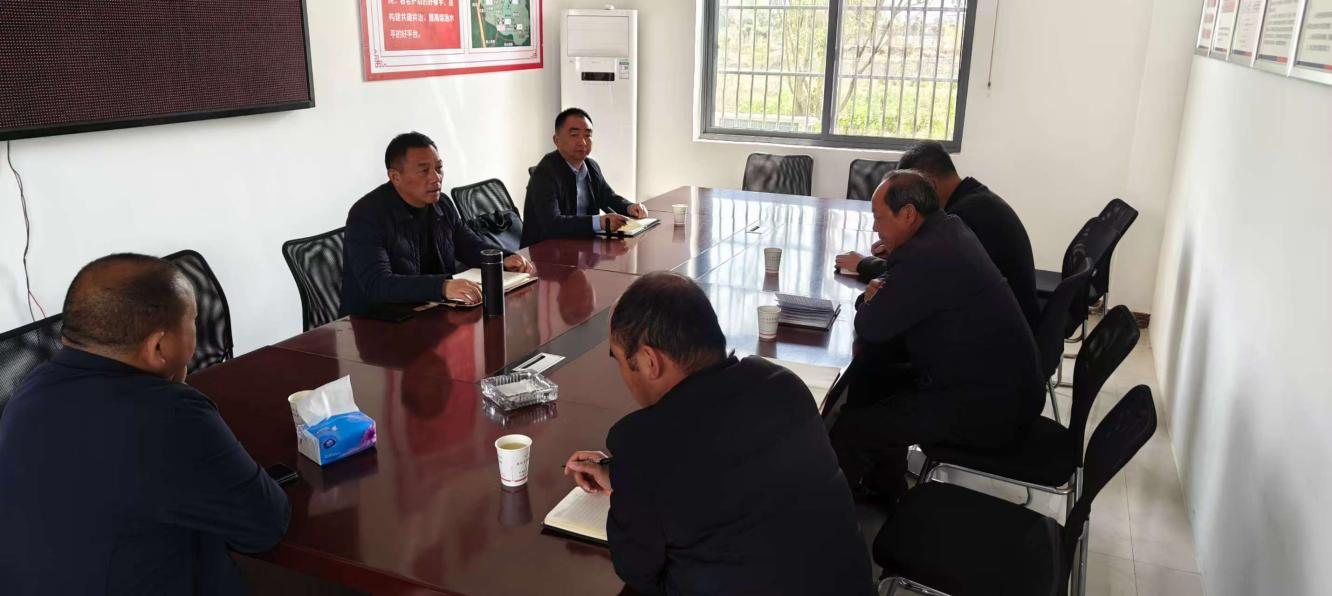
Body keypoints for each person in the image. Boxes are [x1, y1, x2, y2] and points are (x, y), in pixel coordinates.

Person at [563, 272, 873, 596]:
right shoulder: (781, 384)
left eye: (619, 359)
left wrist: (633, 481)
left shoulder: (643, 444)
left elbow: (639, 573)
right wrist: (625, 478)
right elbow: (730, 472)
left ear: (649, 361)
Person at [0, 254, 290, 595]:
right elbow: (265, 526)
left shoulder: (27, 391)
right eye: (193, 321)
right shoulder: (171, 414)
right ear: (158, 345)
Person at [830, 171, 1044, 505]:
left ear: (908, 214)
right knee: (875, 379)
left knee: (850, 429)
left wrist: (868, 300)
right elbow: (894, 292)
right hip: (1001, 386)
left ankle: (831, 520)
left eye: (879, 218)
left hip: (989, 408)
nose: (875, 228)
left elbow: (872, 325)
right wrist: (879, 294)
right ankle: (886, 488)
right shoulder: (947, 230)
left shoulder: (924, 256)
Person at [836, 141, 1041, 328]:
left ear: (929, 186)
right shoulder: (971, 204)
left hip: (995, 335)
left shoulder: (964, 218)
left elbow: (917, 277)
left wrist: (867, 265)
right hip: (1004, 327)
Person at [342, 131, 535, 317]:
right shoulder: (366, 215)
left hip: (434, 311)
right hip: (378, 323)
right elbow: (377, 283)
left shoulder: (442, 204)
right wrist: (442, 287)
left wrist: (503, 258)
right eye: (424, 171)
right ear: (395, 177)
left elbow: (469, 245)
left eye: (439, 168)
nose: (436, 177)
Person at [520, 108, 648, 246]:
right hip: (545, 251)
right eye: (574, 135)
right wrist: (599, 222)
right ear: (557, 140)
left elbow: (607, 197)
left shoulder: (591, 166)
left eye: (587, 135)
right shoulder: (545, 173)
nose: (583, 142)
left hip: (582, 245)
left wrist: (630, 207)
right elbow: (552, 223)